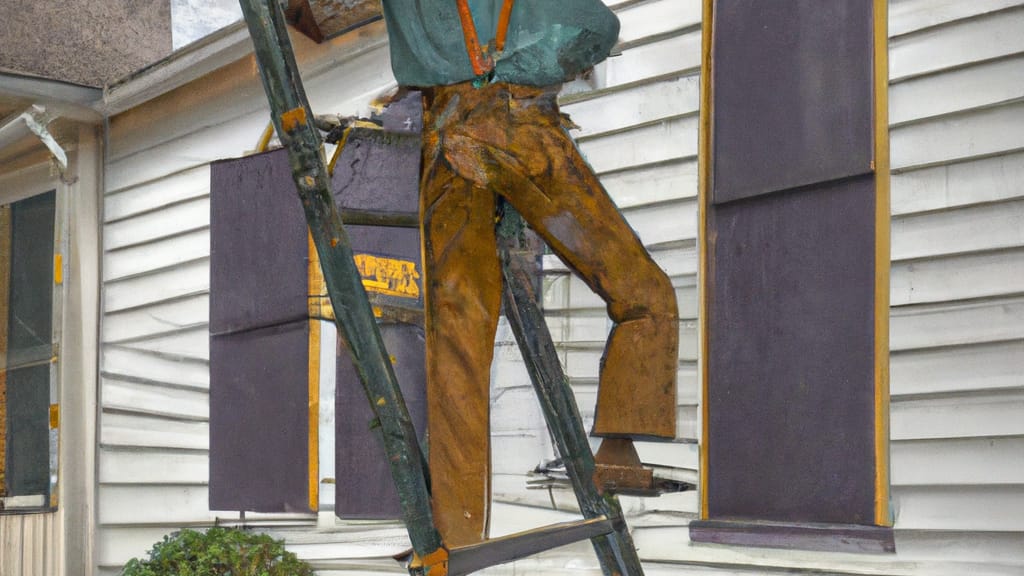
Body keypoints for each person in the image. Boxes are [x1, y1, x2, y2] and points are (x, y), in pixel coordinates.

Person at [380, 0, 679, 547]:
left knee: (457, 343)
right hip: (517, 128)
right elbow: (597, 26)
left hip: (441, 142)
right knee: (644, 293)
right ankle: (618, 447)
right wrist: (517, 71)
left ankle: (457, 532)